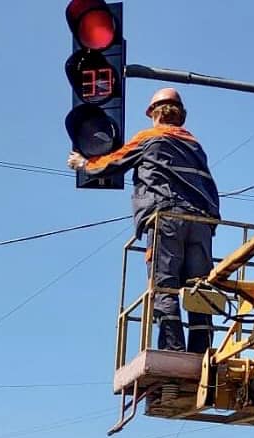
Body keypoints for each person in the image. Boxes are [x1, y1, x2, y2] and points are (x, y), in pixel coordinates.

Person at [67, 87, 220, 353]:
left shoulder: (150, 137)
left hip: (167, 218)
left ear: (155, 115)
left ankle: (172, 349)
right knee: (199, 289)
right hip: (203, 223)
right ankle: (202, 350)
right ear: (180, 116)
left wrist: (85, 164)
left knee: (165, 286)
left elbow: (115, 162)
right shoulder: (196, 145)